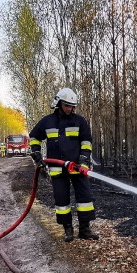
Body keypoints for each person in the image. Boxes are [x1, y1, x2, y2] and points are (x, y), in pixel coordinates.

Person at [29, 87, 99, 242]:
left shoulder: (79, 121)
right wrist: (37, 153)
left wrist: (83, 159)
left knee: (85, 199)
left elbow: (86, 142)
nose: (70, 109)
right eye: (67, 105)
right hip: (57, 169)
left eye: (72, 106)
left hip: (77, 167)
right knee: (61, 200)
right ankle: (67, 229)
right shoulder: (47, 122)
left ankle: (85, 229)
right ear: (59, 103)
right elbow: (34, 137)